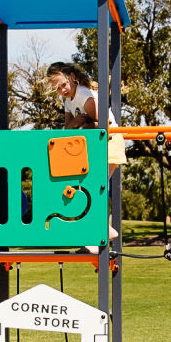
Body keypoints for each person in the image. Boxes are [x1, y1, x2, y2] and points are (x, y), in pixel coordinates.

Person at [45, 61, 121, 250]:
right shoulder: (68, 101)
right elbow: (67, 127)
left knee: (94, 189)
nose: (62, 90)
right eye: (57, 88)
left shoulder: (84, 96)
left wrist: (82, 124)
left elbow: (101, 125)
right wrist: (79, 121)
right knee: (87, 190)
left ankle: (105, 231)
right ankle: (95, 237)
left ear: (71, 77)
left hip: (110, 141)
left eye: (63, 85)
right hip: (96, 147)